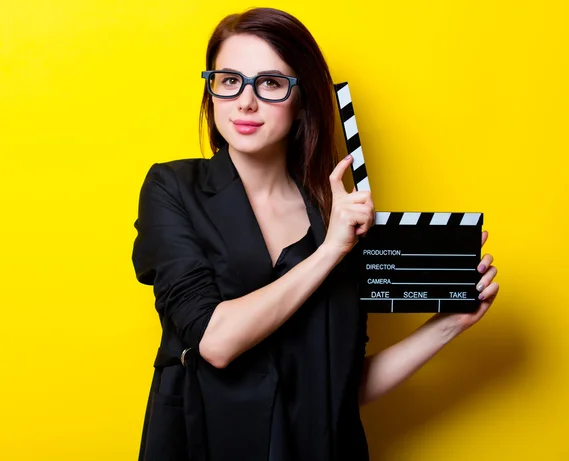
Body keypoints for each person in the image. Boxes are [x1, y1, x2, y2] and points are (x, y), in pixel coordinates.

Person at [131, 7, 499, 461]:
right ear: (211, 91)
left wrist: (448, 325)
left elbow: (342, 384)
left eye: (270, 83)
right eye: (229, 80)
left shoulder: (336, 216)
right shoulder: (172, 189)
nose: (245, 102)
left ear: (302, 99)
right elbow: (215, 342)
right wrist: (329, 252)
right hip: (205, 444)